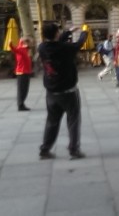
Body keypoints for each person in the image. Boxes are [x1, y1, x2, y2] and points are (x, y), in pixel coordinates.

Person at [38, 23, 88, 160]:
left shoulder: (42, 48)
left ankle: (45, 149)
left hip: (51, 92)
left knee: (52, 121)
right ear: (56, 33)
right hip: (68, 92)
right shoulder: (65, 48)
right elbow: (78, 44)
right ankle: (74, 149)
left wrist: (68, 32)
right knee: (73, 120)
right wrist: (84, 32)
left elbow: (56, 43)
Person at [10, 37, 33, 111]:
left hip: (26, 72)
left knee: (25, 89)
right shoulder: (21, 49)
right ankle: (20, 104)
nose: (30, 44)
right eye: (29, 42)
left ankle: (22, 103)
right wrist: (10, 44)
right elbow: (14, 49)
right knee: (21, 89)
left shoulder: (26, 50)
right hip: (22, 72)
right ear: (25, 42)